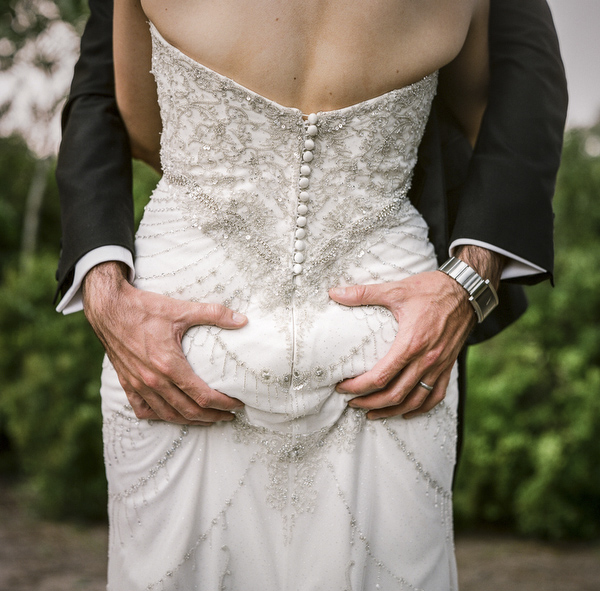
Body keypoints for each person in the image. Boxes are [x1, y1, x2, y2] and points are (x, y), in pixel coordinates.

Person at [55, 0, 567, 589]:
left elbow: (144, 128)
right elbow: (497, 104)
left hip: (189, 325)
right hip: (384, 331)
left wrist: (472, 278)